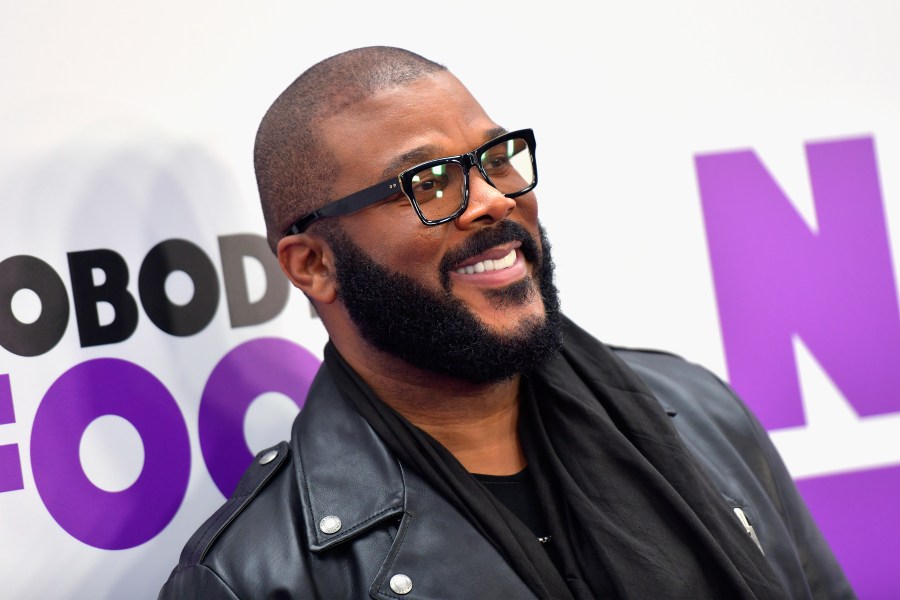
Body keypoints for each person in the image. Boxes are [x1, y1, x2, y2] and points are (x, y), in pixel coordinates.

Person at [159, 47, 853, 599]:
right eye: (428, 182)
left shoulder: (698, 411)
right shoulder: (253, 578)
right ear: (313, 265)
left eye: (495, 160)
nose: (492, 200)